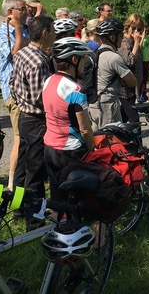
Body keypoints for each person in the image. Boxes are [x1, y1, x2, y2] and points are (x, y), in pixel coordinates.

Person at [43, 38, 95, 203]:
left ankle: (56, 223)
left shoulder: (48, 81)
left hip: (50, 147)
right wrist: (92, 148)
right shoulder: (76, 89)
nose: (85, 62)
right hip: (70, 150)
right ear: (74, 60)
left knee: (57, 194)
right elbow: (85, 128)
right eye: (83, 58)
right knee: (77, 197)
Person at [9, 16, 55, 200]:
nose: (55, 35)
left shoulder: (22, 53)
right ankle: (34, 219)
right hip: (36, 121)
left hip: (23, 117)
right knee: (35, 172)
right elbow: (40, 98)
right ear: (45, 34)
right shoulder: (39, 62)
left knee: (22, 167)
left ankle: (18, 207)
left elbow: (12, 84)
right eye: (53, 31)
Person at [0, 0, 29, 191]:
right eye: (22, 9)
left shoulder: (23, 31)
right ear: (10, 12)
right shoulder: (1, 33)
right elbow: (15, 53)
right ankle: (12, 183)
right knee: (19, 137)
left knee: (26, 135)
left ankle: (25, 176)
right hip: (13, 91)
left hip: (27, 89)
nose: (26, 12)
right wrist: (16, 29)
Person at [88, 18, 137, 130]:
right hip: (108, 106)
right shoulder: (113, 57)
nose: (122, 38)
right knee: (111, 142)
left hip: (94, 104)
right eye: (120, 35)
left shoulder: (95, 53)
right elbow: (132, 81)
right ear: (112, 37)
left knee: (97, 142)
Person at [118, 14, 145, 122]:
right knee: (134, 118)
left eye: (139, 29)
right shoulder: (124, 42)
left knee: (124, 116)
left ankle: (119, 137)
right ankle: (136, 139)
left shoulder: (134, 41)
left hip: (133, 85)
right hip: (124, 88)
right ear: (127, 27)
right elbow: (129, 61)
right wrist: (137, 43)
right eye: (133, 28)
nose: (136, 31)